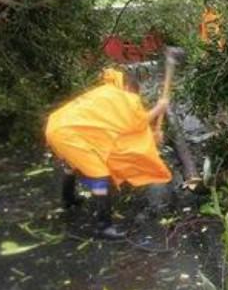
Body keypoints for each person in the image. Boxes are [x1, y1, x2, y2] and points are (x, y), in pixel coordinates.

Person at [45, 69, 172, 239]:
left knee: (73, 163)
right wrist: (159, 108)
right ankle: (103, 226)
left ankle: (68, 199)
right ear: (128, 87)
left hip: (57, 126)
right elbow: (137, 123)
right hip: (69, 133)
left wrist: (152, 137)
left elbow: (120, 132)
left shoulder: (107, 92)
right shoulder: (122, 97)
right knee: (100, 175)